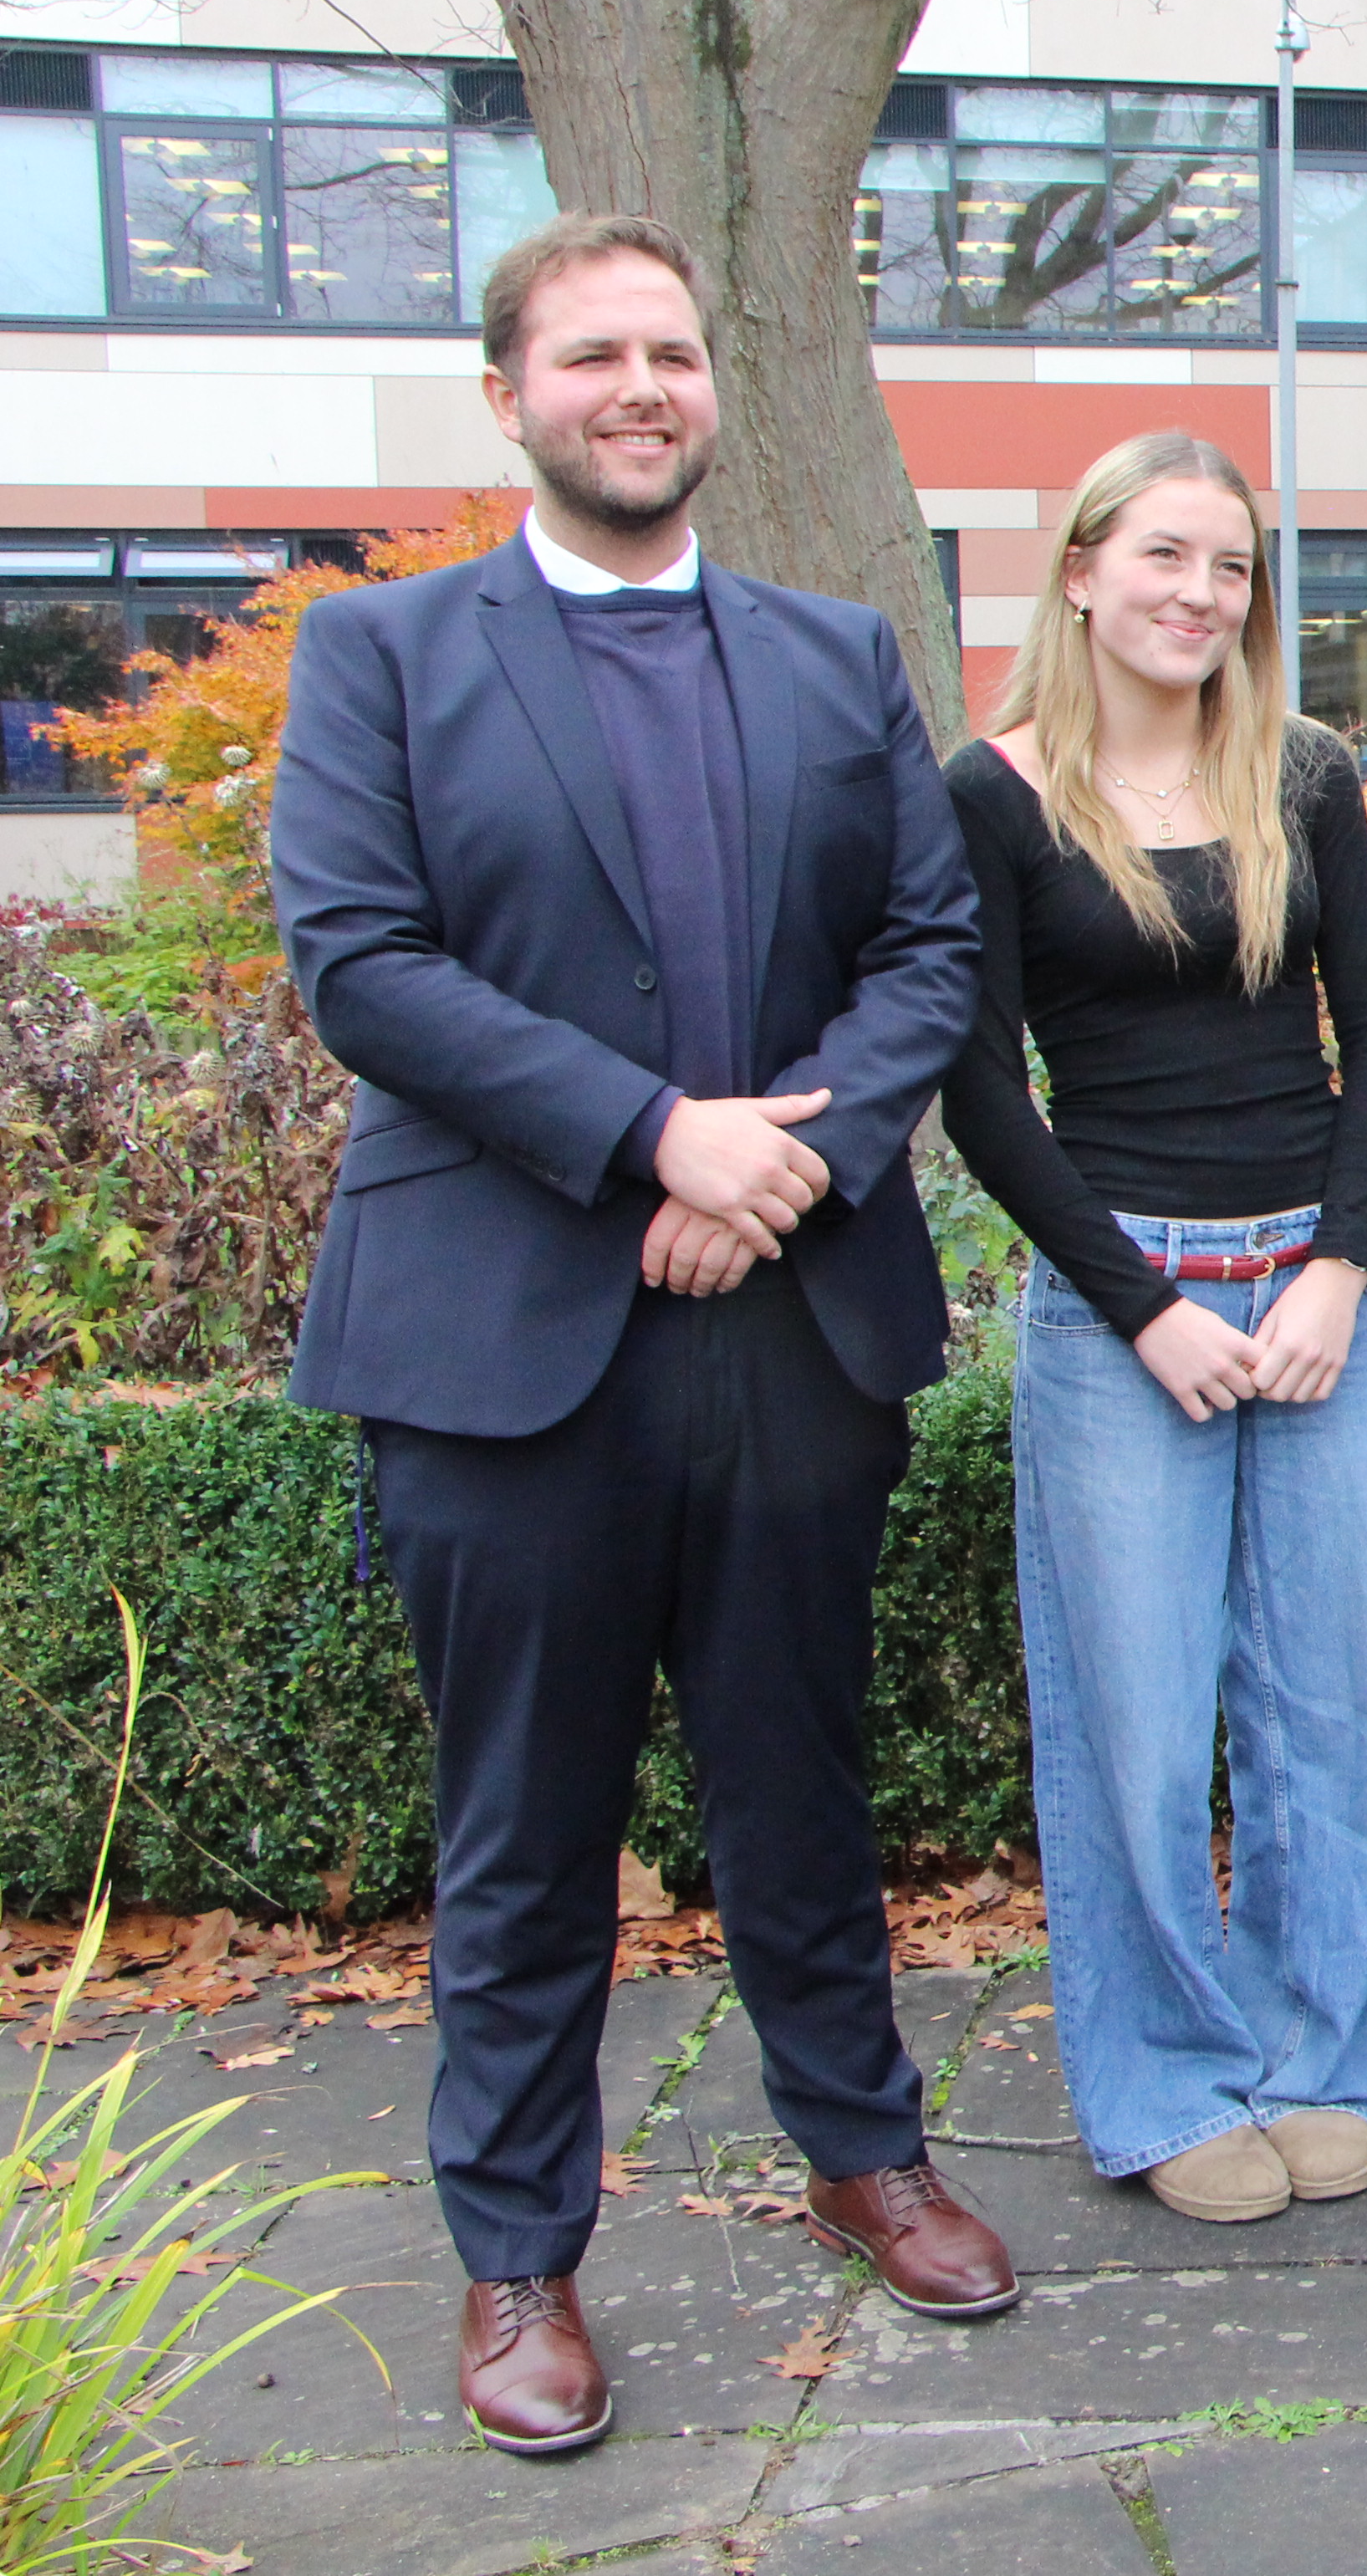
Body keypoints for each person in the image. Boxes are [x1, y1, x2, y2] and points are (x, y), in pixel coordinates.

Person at [270, 212, 1014, 2457]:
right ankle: (517, 2257)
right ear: (510, 393)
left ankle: (859, 2150)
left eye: (673, 351)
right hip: (504, 1345)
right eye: (591, 353)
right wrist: (649, 1143)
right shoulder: (384, 656)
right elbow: (363, 964)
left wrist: (779, 1162)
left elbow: (928, 944)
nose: (639, 386)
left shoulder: (827, 652)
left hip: (792, 1325)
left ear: (714, 390)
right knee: (524, 1829)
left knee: (802, 1783)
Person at [937, 431, 1367, 2225]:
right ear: (1080, 572)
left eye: (1230, 567)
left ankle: (1309, 2058)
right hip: (1122, 1307)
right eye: (1164, 557)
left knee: (1330, 1720)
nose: (1200, 593)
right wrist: (1143, 1312)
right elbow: (981, 1092)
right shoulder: (992, 797)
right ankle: (1162, 2083)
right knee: (1135, 1728)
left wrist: (1340, 1273)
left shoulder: (1300, 772)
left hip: (1313, 1300)